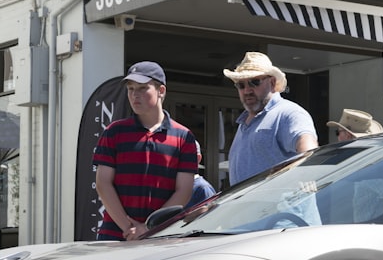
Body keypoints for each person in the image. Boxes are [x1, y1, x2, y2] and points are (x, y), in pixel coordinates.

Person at [93, 61, 199, 241]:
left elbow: (184, 190)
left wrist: (150, 228)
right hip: (114, 236)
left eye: (142, 88)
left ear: (161, 91)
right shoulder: (114, 132)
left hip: (162, 238)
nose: (135, 95)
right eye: (131, 88)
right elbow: (103, 184)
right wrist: (129, 228)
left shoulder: (184, 137)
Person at [223, 52, 318, 186]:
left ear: (272, 82)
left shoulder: (288, 113)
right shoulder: (244, 122)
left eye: (254, 82)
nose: (247, 90)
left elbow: (308, 150)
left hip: (281, 206)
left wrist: (307, 174)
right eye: (241, 85)